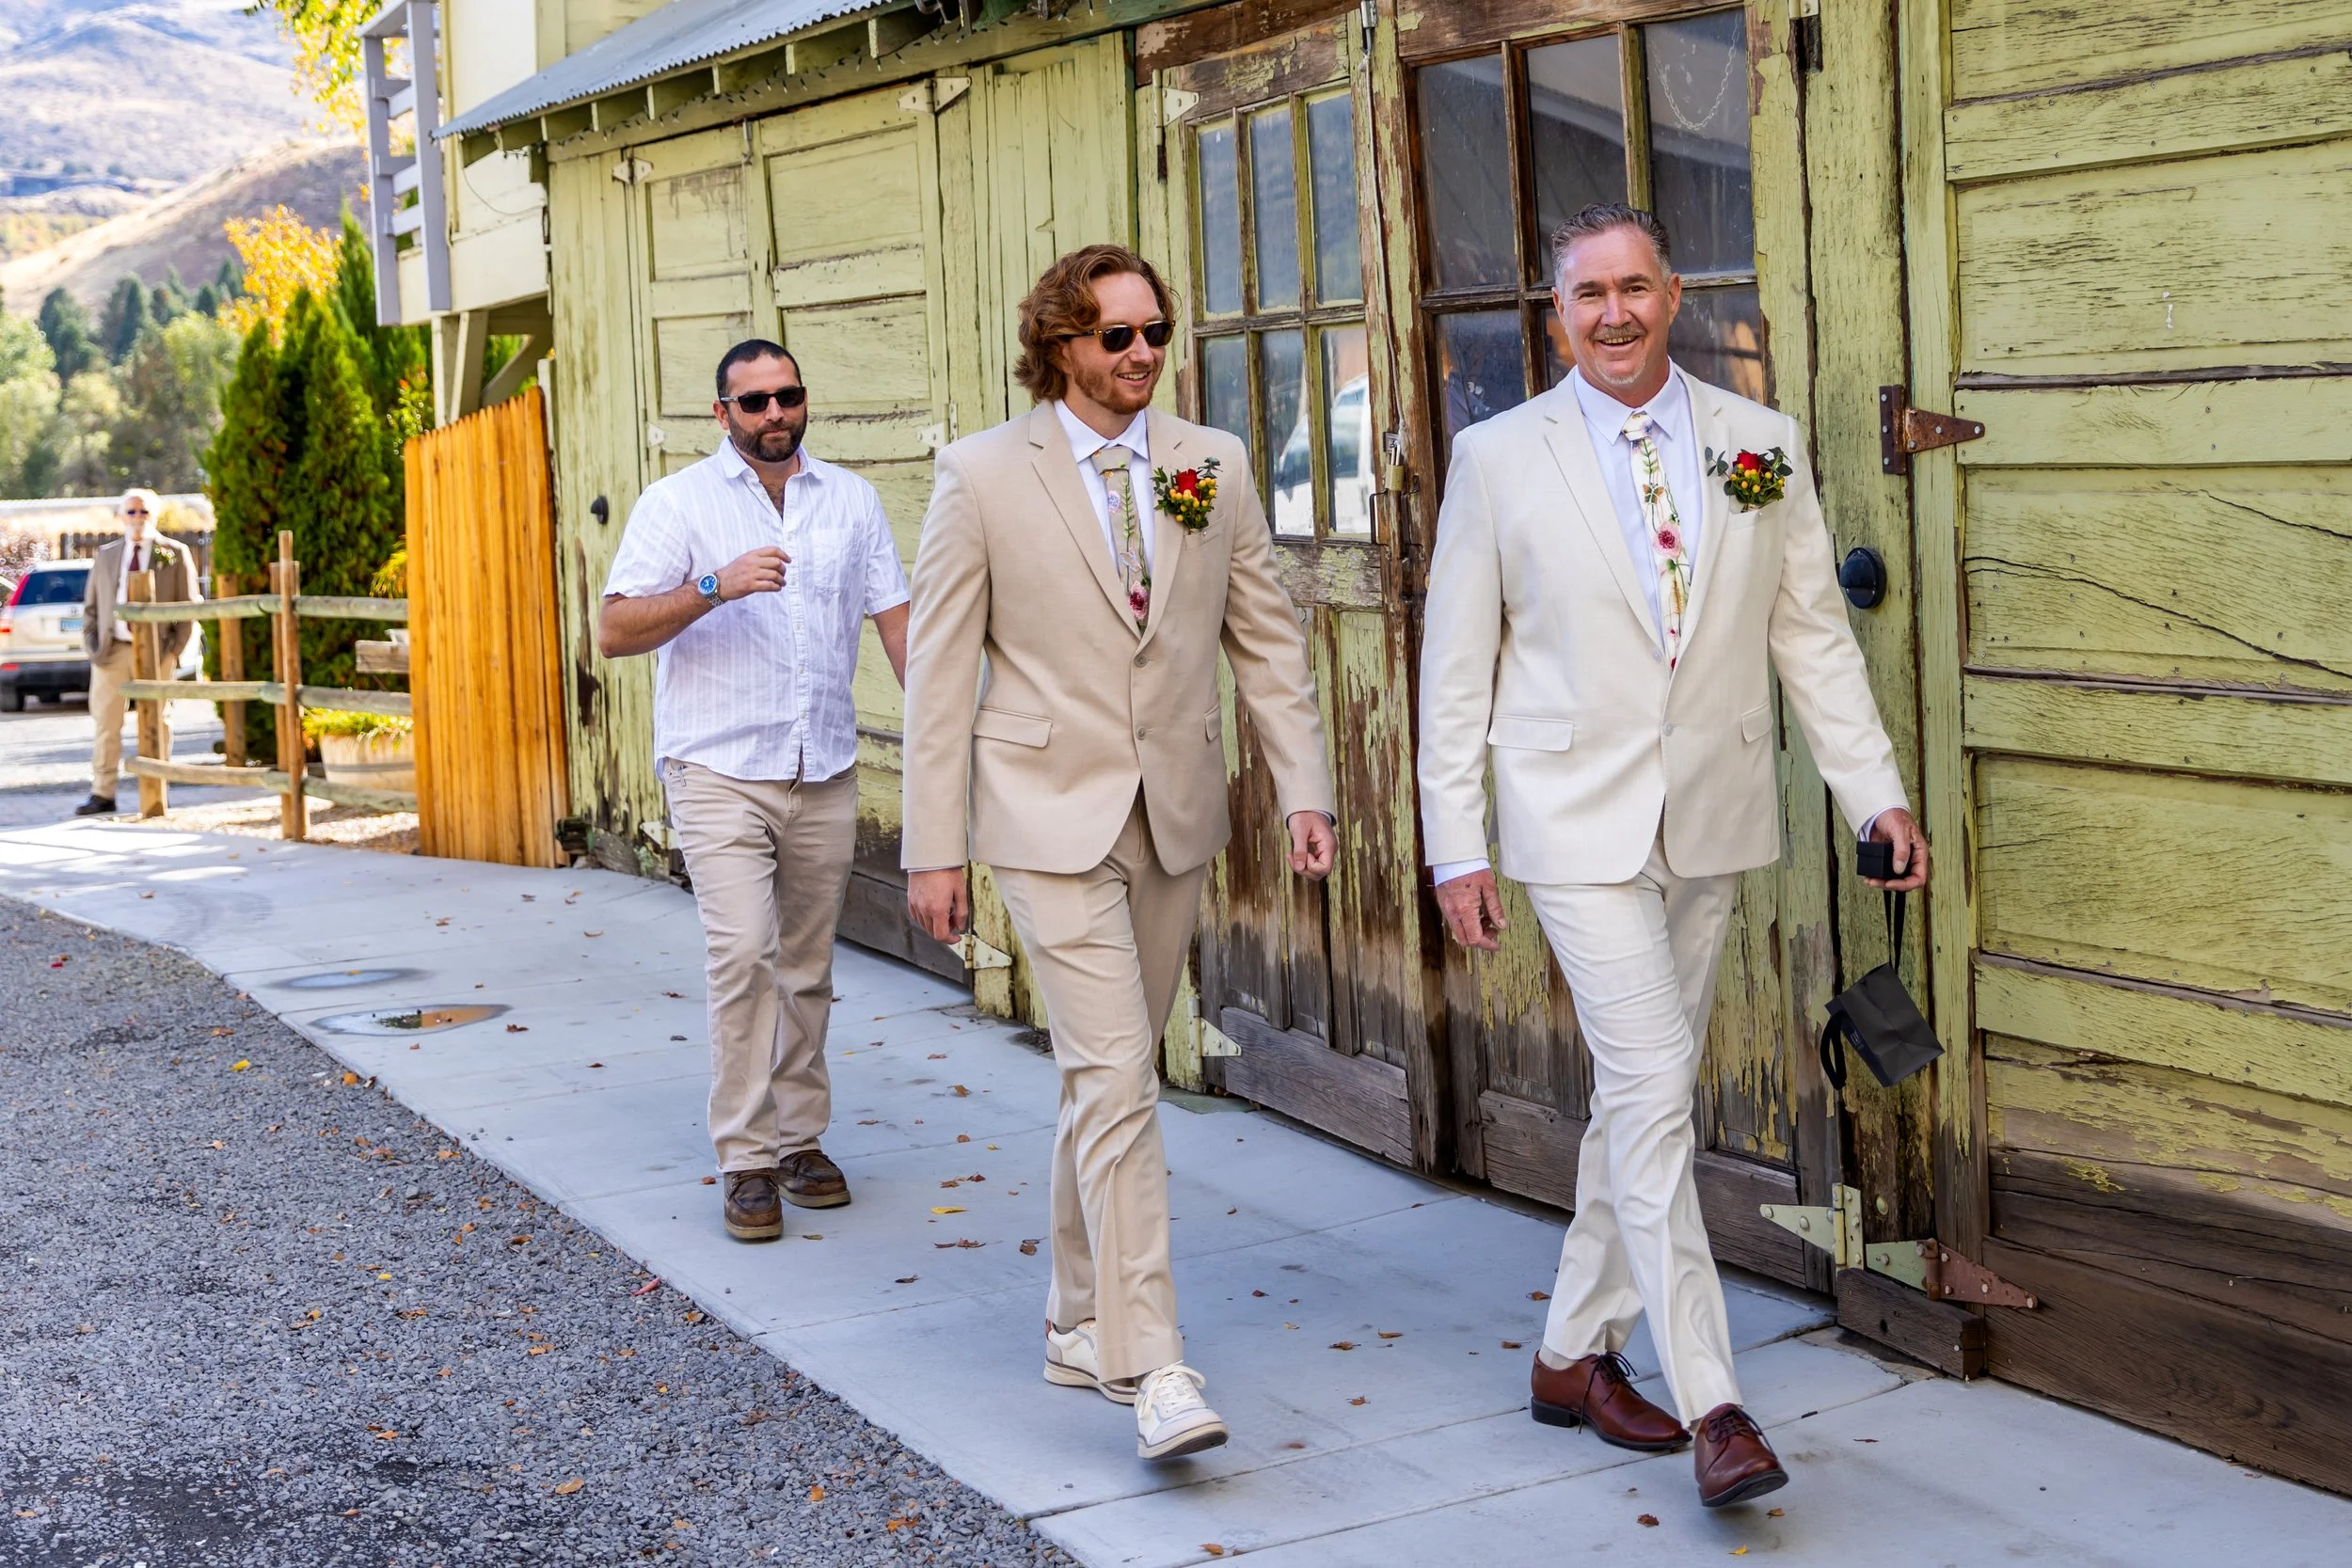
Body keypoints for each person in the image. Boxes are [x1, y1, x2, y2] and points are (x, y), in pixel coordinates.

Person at [1416, 204, 1931, 1510]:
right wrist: (1452, 844)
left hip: (1709, 816)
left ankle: (1565, 1359)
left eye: (1635, 288)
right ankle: (1717, 1399)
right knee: (1655, 1089)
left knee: (1636, 1104)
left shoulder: (1758, 444)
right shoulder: (1498, 456)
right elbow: (1454, 669)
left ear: (1674, 293)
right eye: (1587, 295)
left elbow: (1811, 636)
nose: (1614, 314)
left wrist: (1877, 797)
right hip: (1571, 825)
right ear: (1555, 313)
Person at [901, 245, 1336, 1462]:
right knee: (1120, 1080)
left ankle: (1075, 1315)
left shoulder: (1213, 466)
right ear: (1060, 347)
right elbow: (939, 673)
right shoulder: (982, 474)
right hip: (1042, 813)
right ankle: (1152, 1364)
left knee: (1109, 1074)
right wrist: (933, 843)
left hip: (1174, 809)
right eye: (1115, 336)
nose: (1142, 354)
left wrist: (1303, 783)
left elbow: (1266, 636)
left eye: (1155, 332)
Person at [597, 341, 911, 1243]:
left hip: (825, 765)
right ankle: (745, 1157)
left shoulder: (850, 500)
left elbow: (898, 627)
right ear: (722, 413)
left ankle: (800, 1141)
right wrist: (714, 584)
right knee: (745, 956)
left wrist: (945, 728)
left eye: (788, 397)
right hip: (718, 770)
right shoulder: (679, 503)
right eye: (754, 401)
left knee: (807, 967)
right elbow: (615, 628)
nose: (774, 413)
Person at [76, 488, 198, 816]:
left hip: (157, 652)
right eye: (131, 512)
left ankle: (156, 789)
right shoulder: (106, 555)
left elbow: (188, 607)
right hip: (112, 651)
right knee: (106, 723)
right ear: (122, 516)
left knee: (158, 722)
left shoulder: (175, 552)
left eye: (144, 512)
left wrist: (173, 651)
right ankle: (103, 793)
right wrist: (94, 648)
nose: (138, 518)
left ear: (154, 515)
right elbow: (91, 608)